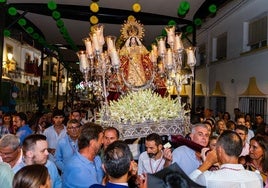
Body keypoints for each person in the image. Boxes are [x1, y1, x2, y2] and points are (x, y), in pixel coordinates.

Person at [189, 130, 263, 188]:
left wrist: (208, 162)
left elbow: (187, 184)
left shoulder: (209, 178)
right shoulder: (257, 177)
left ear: (220, 150)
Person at [62, 123, 105, 188]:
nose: (103, 142)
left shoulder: (97, 159)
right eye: (101, 139)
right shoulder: (76, 168)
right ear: (92, 143)